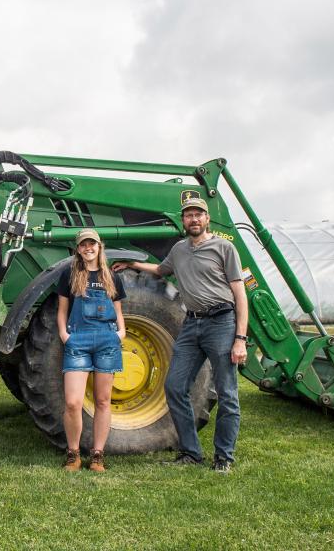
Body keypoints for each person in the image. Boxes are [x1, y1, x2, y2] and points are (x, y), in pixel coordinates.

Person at [113, 196, 248, 473]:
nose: (194, 219)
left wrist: (240, 339)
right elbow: (161, 270)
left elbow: (240, 294)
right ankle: (190, 452)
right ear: (183, 220)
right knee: (174, 387)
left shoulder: (224, 248)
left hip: (221, 322)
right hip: (191, 324)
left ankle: (224, 457)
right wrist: (132, 265)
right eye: (189, 215)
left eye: (199, 214)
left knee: (227, 393)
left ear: (207, 219)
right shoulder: (179, 249)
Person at [57, 228, 126, 472]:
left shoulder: (111, 276)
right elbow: (62, 310)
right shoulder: (70, 274)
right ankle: (73, 453)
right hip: (78, 341)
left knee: (103, 400)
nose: (88, 248)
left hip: (107, 341)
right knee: (73, 402)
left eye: (92, 244)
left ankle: (97, 455)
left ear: (99, 246)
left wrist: (121, 332)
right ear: (78, 249)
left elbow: (117, 310)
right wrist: (65, 335)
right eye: (83, 244)